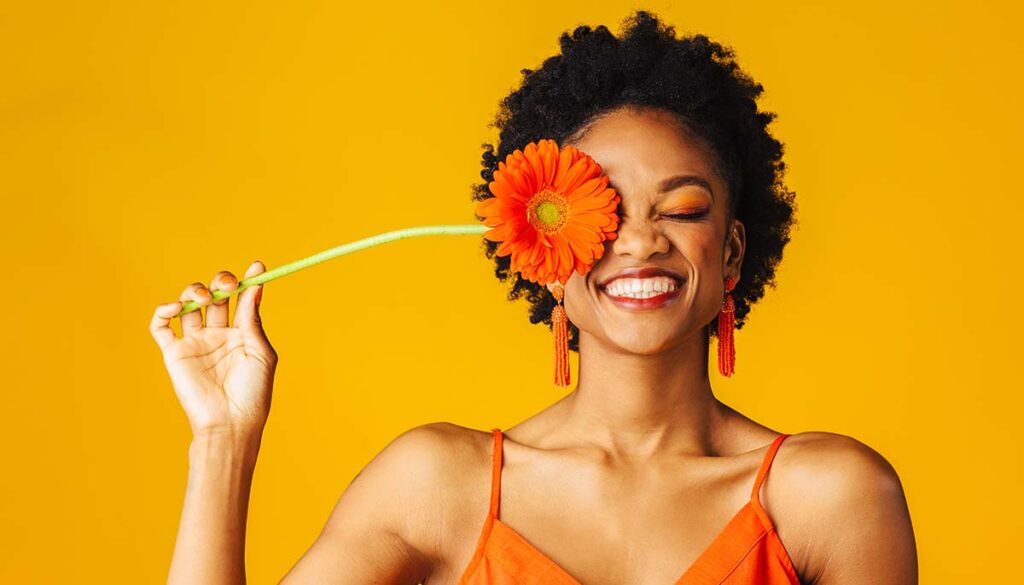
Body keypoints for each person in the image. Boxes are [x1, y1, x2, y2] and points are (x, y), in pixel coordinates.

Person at [149, 11, 917, 584]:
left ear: (734, 253)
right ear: (542, 255)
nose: (640, 240)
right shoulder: (437, 484)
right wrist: (223, 437)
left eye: (681, 210)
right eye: (602, 211)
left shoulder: (830, 498)